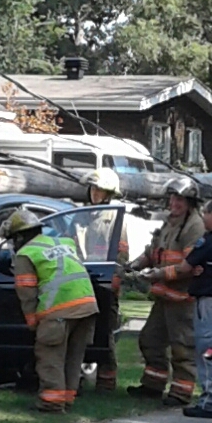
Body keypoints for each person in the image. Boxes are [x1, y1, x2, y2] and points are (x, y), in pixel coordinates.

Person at [141, 198, 212, 419]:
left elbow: (185, 266)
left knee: (207, 351)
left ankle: (209, 402)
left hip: (206, 303)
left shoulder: (207, 241)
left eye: (206, 213)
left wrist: (156, 274)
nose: (204, 217)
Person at [3, 209, 99, 413]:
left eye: (13, 240)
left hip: (59, 309)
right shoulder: (64, 243)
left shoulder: (26, 254)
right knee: (73, 357)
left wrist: (33, 323)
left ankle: (52, 403)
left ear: (19, 237)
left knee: (50, 357)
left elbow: (27, 293)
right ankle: (67, 400)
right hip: (87, 307)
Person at [126, 179, 205, 407]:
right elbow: (153, 252)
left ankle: (181, 392)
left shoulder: (194, 227)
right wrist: (134, 265)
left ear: (190, 202)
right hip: (164, 297)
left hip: (183, 299)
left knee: (182, 347)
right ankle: (153, 385)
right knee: (150, 340)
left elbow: (189, 265)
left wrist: (158, 274)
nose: (174, 203)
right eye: (172, 198)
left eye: (179, 199)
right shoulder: (169, 223)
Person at [79, 167, 130, 391]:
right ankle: (79, 374)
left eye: (99, 190)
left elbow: (121, 252)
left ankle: (106, 380)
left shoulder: (115, 217)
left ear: (109, 193)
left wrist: (114, 277)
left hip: (105, 281)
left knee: (105, 330)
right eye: (93, 189)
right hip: (85, 278)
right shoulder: (85, 215)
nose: (95, 193)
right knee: (83, 329)